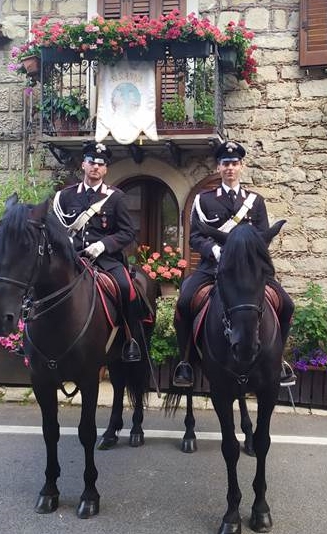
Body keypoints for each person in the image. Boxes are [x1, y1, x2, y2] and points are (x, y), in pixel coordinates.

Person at [172, 141, 295, 388]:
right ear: (218, 168)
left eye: (235, 164)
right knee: (185, 301)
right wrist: (216, 250)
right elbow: (196, 236)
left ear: (242, 167)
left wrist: (247, 258)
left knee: (287, 305)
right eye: (225, 164)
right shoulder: (203, 200)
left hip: (248, 272)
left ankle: (278, 360)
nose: (230, 168)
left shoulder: (255, 201)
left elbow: (261, 237)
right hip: (212, 268)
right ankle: (185, 362)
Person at [53, 141, 142, 362]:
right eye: (91, 162)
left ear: (105, 170)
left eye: (101, 164)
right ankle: (29, 335)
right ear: (83, 164)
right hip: (71, 258)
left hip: (105, 259)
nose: (95, 167)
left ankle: (130, 339)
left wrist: (103, 245)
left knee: (126, 288)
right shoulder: (65, 196)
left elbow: (127, 232)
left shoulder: (116, 197)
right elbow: (55, 228)